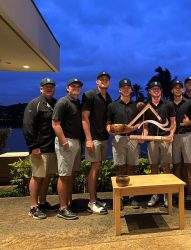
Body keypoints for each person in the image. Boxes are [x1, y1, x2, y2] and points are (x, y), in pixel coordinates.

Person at [23, 77, 57, 220]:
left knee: (47, 176)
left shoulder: (55, 103)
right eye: (46, 86)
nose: (49, 88)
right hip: (39, 148)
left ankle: (42, 202)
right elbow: (27, 126)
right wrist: (33, 146)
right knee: (37, 176)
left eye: (51, 86)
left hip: (51, 147)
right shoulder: (35, 103)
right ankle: (33, 206)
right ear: (41, 88)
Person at [106, 78, 141, 208]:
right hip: (119, 139)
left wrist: (134, 128)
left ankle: (132, 196)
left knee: (132, 166)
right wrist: (111, 131)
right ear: (119, 89)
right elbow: (108, 124)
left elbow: (140, 123)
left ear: (131, 89)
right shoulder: (112, 105)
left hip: (132, 138)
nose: (126, 89)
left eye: (128, 87)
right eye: (123, 87)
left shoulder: (136, 106)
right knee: (120, 167)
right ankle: (120, 196)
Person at [52, 78, 83, 220]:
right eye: (73, 86)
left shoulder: (76, 102)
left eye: (78, 86)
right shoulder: (62, 102)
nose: (76, 88)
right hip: (66, 142)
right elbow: (55, 124)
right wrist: (64, 142)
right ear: (67, 88)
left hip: (75, 142)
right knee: (64, 175)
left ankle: (69, 203)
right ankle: (62, 208)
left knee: (70, 174)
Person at [82, 72, 112, 215]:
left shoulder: (108, 98)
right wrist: (88, 138)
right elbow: (84, 118)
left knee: (98, 167)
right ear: (97, 81)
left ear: (109, 82)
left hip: (104, 137)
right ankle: (92, 202)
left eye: (106, 80)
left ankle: (95, 198)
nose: (104, 81)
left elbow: (107, 120)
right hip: (93, 138)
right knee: (94, 168)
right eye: (102, 79)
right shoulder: (89, 95)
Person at [143, 81, 176, 207]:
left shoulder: (169, 104)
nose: (156, 90)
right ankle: (155, 194)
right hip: (152, 140)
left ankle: (167, 195)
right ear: (149, 91)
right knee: (153, 167)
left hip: (165, 138)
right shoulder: (147, 106)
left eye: (158, 88)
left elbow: (173, 122)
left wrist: (171, 135)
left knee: (166, 167)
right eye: (153, 89)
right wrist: (144, 136)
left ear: (161, 91)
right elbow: (145, 125)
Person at [171, 80, 191, 204]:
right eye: (175, 88)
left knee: (188, 164)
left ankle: (189, 193)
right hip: (174, 137)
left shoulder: (190, 104)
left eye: (180, 88)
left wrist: (189, 123)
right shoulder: (169, 105)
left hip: (187, 135)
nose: (178, 89)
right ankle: (176, 192)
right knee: (176, 164)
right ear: (172, 90)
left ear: (182, 90)